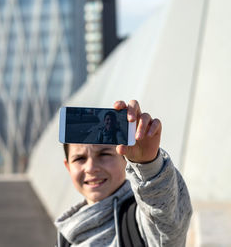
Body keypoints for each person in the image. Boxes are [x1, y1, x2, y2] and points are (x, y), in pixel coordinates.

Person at [55, 100, 192, 246]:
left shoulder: (141, 217)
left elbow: (168, 225)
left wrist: (148, 164)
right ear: (68, 166)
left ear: (125, 159)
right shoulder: (67, 231)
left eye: (104, 154)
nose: (91, 168)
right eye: (79, 158)